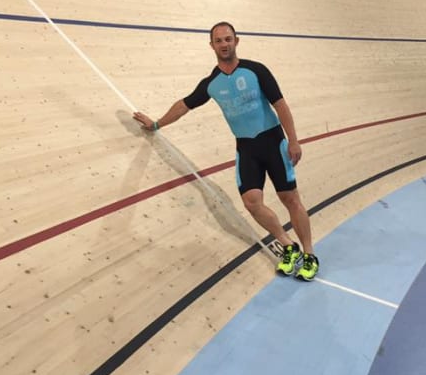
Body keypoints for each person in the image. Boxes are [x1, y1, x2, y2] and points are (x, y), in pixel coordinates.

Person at [133, 22, 320, 281]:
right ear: (212, 46)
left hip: (273, 142)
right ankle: (289, 246)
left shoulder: (256, 70)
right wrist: (155, 124)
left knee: (290, 199)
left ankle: (310, 254)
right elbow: (183, 106)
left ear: (237, 41)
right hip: (247, 147)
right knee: (252, 203)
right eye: (219, 40)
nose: (224, 44)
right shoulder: (211, 83)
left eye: (228, 39)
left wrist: (294, 141)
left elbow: (281, 106)